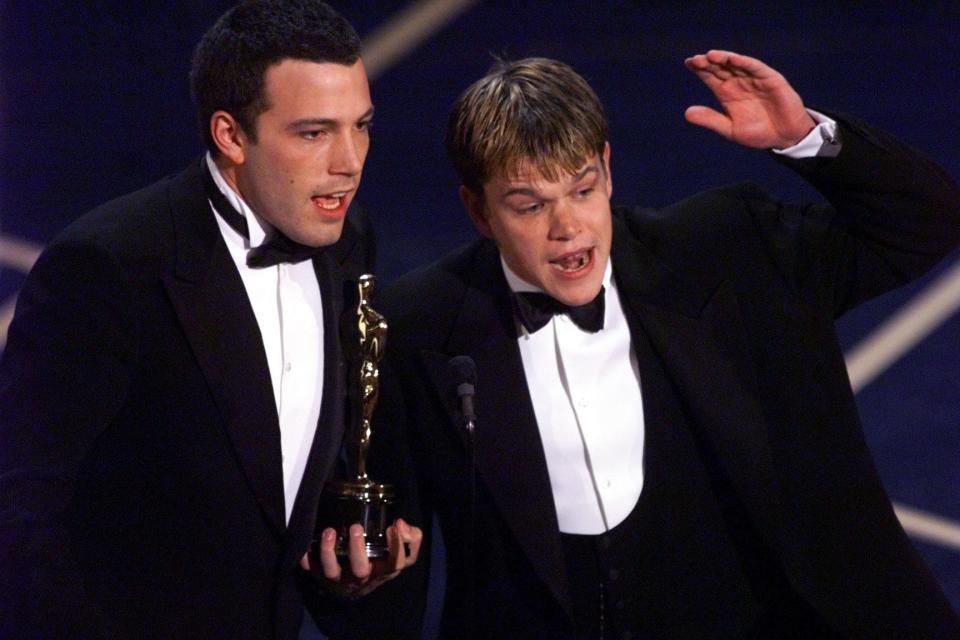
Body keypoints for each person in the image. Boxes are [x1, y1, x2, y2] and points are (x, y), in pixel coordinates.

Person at [371, 52, 960, 637]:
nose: (567, 227)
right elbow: (380, 567)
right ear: (478, 209)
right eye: (529, 206)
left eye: (582, 190)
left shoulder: (727, 251)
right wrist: (356, 581)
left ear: (607, 167)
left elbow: (924, 225)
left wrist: (804, 137)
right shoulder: (417, 328)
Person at [0, 1, 422, 638]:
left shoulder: (346, 239)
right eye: (314, 133)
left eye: (360, 125)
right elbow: (23, 517)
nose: (350, 160)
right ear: (230, 135)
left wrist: (341, 572)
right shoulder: (109, 267)